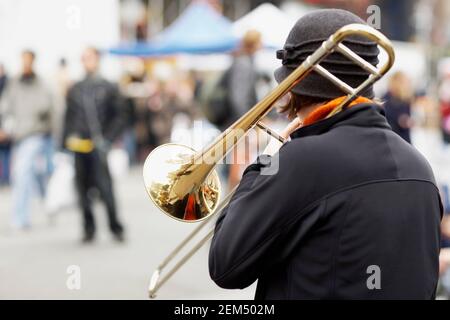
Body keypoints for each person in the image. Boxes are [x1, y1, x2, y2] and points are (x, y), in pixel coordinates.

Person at [209, 9, 442, 299]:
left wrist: (264, 164)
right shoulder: (420, 169)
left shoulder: (299, 160)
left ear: (295, 85)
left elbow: (224, 264)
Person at [62, 47, 126, 243]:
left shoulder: (109, 87)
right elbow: (69, 117)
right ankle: (88, 228)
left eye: (90, 58)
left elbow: (120, 116)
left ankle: (115, 227)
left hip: (99, 146)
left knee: (106, 188)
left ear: (97, 60)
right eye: (84, 58)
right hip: (79, 146)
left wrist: (108, 139)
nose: (87, 61)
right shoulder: (76, 88)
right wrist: (65, 141)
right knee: (82, 190)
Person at [0, 50, 54, 229]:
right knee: (32, 174)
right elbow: (5, 107)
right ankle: (45, 206)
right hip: (20, 135)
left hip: (36, 134)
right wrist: (5, 127)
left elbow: (47, 106)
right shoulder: (14, 83)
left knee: (24, 172)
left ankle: (21, 217)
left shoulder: (41, 83)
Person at [383, 71, 414, 143]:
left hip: (404, 137)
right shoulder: (387, 98)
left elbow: (407, 117)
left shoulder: (406, 99)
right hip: (392, 136)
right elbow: (386, 115)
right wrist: (399, 120)